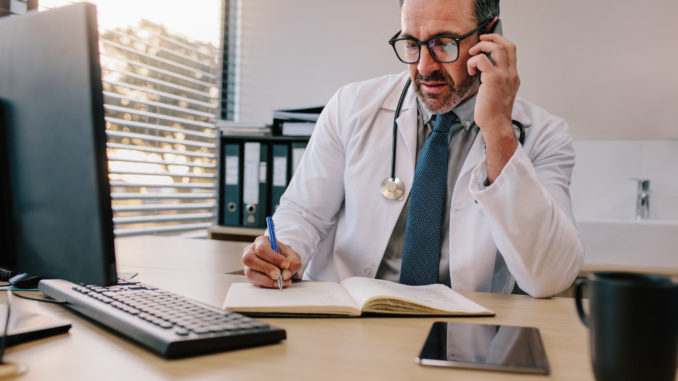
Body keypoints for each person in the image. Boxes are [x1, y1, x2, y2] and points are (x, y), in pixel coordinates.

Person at [241, 0, 584, 298]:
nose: (423, 66)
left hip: (466, 335)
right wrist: (282, 252)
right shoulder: (351, 106)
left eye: (443, 43)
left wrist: (498, 130)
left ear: (490, 35)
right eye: (411, 43)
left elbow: (549, 277)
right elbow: (304, 215)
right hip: (349, 328)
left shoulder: (543, 135)